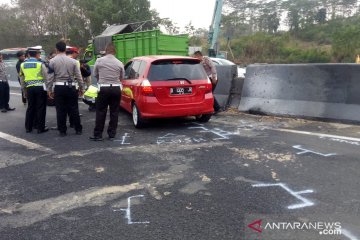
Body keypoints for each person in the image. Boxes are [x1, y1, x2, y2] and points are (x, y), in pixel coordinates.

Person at [47, 41, 84, 137]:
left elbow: (50, 77)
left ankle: (62, 130)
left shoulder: (52, 61)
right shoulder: (74, 61)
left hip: (59, 87)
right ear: (65, 49)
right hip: (71, 87)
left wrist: (49, 89)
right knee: (74, 109)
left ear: (56, 49)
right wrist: (81, 87)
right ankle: (78, 129)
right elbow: (79, 76)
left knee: (60, 110)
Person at [89, 43, 124, 141]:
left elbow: (95, 74)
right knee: (114, 112)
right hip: (116, 88)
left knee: (101, 111)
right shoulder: (119, 62)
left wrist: (102, 79)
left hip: (104, 88)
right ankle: (112, 134)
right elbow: (122, 76)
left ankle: (98, 134)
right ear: (114, 52)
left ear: (106, 50)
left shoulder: (99, 61)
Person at [19, 48, 48, 133]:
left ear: (28, 55)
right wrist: (48, 89)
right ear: (37, 54)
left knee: (30, 107)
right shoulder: (40, 64)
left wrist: (24, 90)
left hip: (29, 88)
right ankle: (40, 128)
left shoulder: (23, 64)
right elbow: (46, 77)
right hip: (40, 88)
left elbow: (21, 78)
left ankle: (28, 127)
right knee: (40, 108)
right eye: (39, 53)